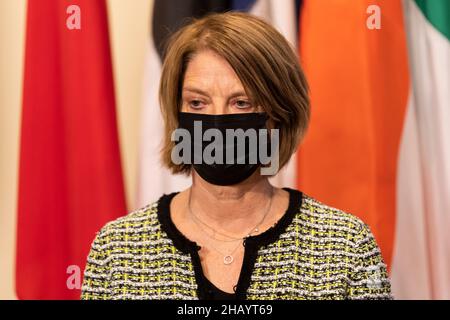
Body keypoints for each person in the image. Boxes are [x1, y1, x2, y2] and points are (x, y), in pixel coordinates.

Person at [81, 12, 392, 300]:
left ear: (278, 115)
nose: (217, 121)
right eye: (198, 103)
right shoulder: (118, 250)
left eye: (241, 102)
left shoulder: (344, 246)